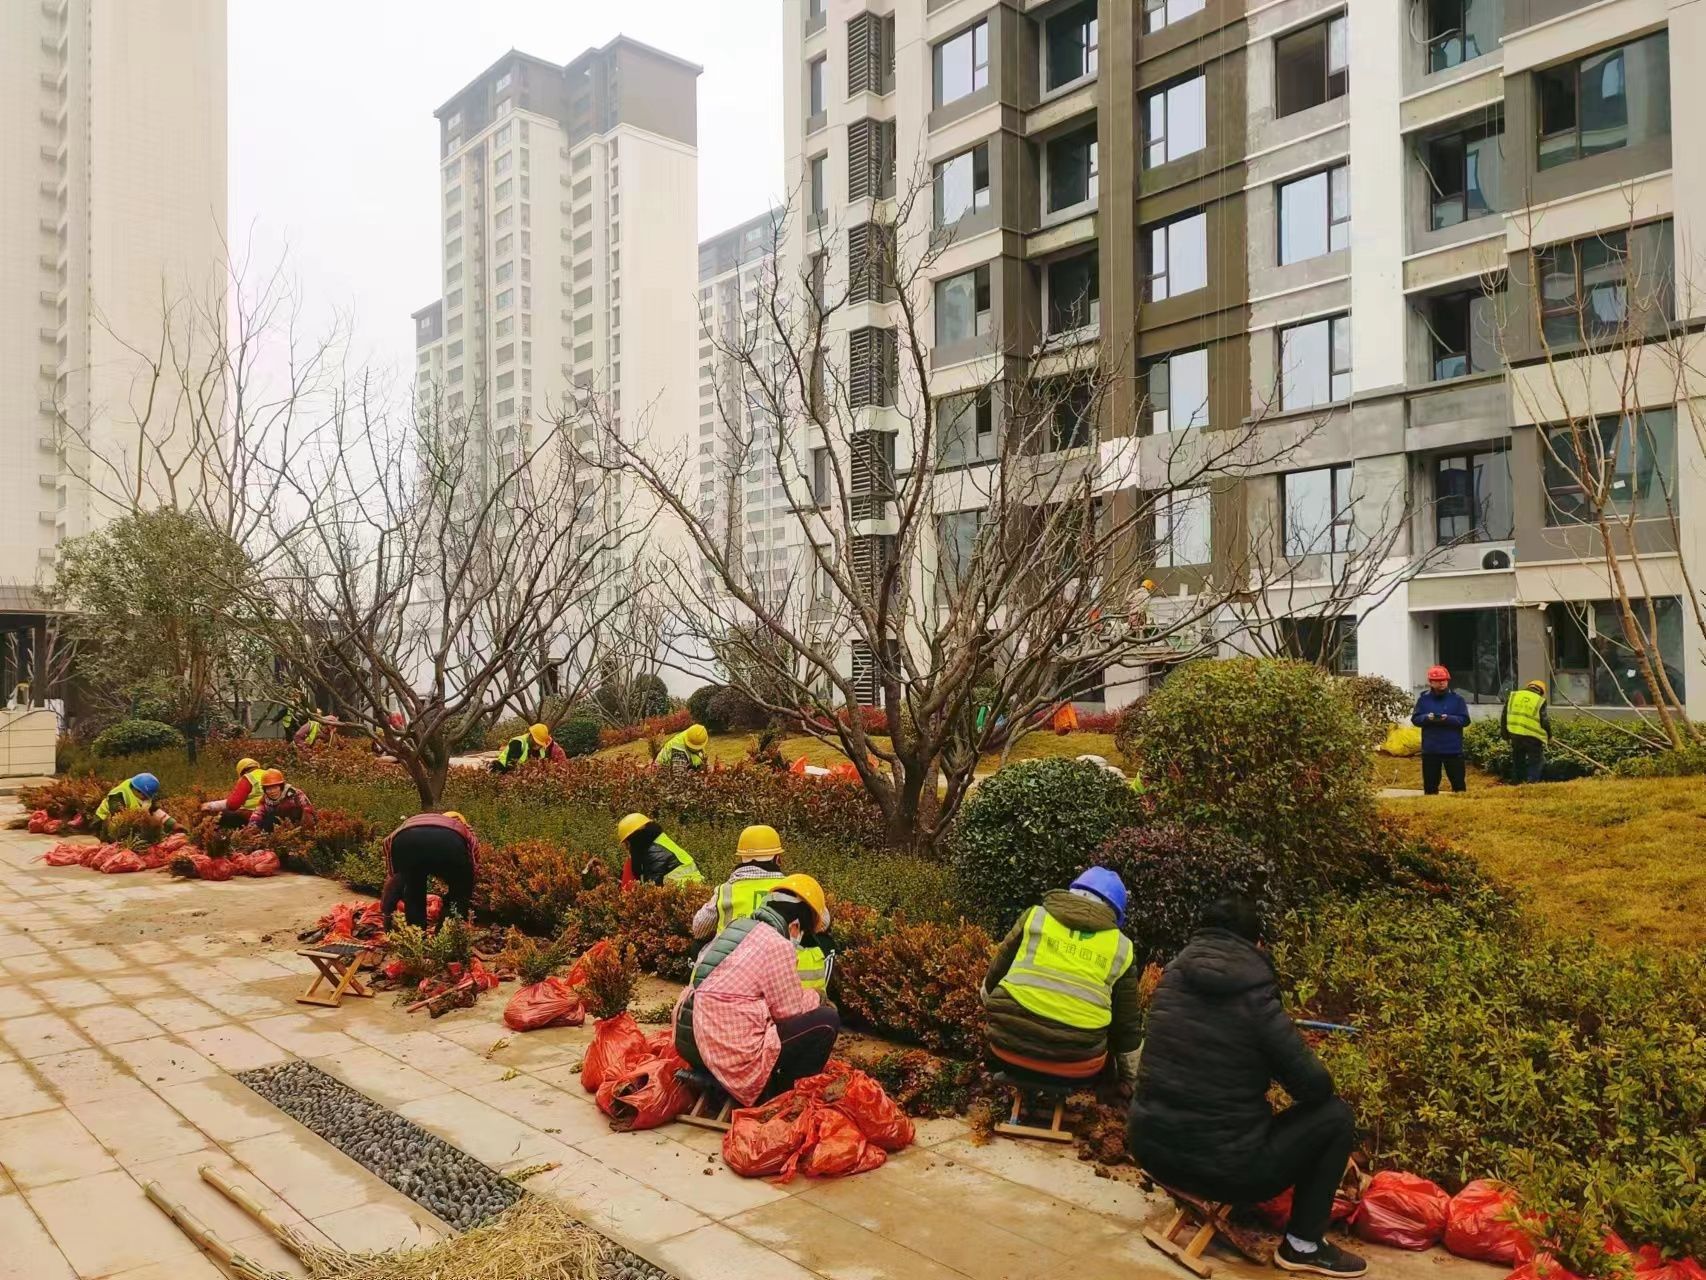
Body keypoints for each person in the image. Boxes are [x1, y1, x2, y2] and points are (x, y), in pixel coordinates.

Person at [1128, 896, 1364, 1278]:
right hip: (1224, 1171)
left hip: (1151, 1150)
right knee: (1335, 1116)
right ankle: (1303, 1245)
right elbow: (1315, 1086)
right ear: (1257, 944)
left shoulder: (1170, 979)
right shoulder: (1255, 996)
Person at [672, 873, 840, 1106]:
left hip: (689, 1045)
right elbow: (788, 1012)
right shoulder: (777, 944)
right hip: (724, 1051)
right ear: (795, 926)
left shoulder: (736, 927)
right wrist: (815, 997)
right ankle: (779, 1094)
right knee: (826, 1018)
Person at [982, 867, 1143, 1085]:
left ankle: (1018, 1072)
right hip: (1078, 1066)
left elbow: (992, 979)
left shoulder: (1035, 917)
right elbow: (1126, 1028)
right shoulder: (1121, 947)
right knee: (1107, 1046)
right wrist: (1130, 1080)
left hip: (1005, 1047)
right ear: (1115, 912)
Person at [691, 824, 830, 991]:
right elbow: (823, 922)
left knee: (699, 945)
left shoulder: (726, 890)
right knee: (825, 941)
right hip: (781, 974)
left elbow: (699, 929)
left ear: (740, 858)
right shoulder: (792, 889)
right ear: (778, 858)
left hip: (731, 973)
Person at [379, 810, 478, 929]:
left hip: (406, 838)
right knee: (460, 891)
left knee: (413, 886)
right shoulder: (466, 831)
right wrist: (462, 887)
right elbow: (473, 866)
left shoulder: (414, 822)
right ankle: (446, 933)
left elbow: (387, 842)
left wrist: (395, 874)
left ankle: (416, 932)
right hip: (449, 844)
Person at [1411, 665, 1471, 795]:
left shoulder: (1457, 699)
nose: (1442, 682)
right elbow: (1415, 719)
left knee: (1459, 787)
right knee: (1430, 788)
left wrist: (1448, 719)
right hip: (1431, 750)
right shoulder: (1423, 699)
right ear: (1431, 682)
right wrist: (1427, 718)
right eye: (1438, 680)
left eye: (1444, 680)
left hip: (1453, 750)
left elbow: (1465, 720)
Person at [616, 812, 704, 887]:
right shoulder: (659, 840)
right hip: (697, 888)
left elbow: (654, 885)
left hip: (682, 893)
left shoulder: (653, 851)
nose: (627, 847)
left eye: (627, 843)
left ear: (633, 838)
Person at [1501, 678, 1551, 784]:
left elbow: (1504, 717)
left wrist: (1505, 736)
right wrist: (1549, 736)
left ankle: (1517, 782)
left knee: (1518, 760)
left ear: (1529, 686)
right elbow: (1544, 721)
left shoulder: (1513, 696)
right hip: (1532, 737)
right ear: (1541, 691)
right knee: (1536, 761)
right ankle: (1532, 783)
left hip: (1515, 735)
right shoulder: (1539, 700)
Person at [95, 773, 177, 833]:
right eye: (145, 795)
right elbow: (118, 815)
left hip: (125, 821)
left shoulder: (145, 795)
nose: (146, 798)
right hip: (103, 820)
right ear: (138, 791)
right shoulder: (118, 794)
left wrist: (173, 823)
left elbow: (154, 810)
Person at [201, 757, 269, 826]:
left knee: (223, 816)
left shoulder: (247, 778)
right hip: (272, 814)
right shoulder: (269, 773)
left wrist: (210, 806)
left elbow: (233, 804)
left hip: (253, 815)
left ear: (241, 771)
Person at [249, 770, 314, 833]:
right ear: (264, 790)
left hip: (299, 825)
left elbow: (308, 809)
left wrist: (305, 831)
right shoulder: (264, 800)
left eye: (275, 787)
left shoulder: (296, 794)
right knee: (269, 819)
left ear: (281, 787)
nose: (272, 792)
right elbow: (256, 815)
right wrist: (250, 829)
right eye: (268, 789)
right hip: (277, 829)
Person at [491, 722, 565, 772]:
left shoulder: (542, 749)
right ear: (531, 736)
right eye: (536, 741)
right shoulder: (518, 743)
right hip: (503, 770)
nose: (538, 745)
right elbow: (511, 765)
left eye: (540, 743)